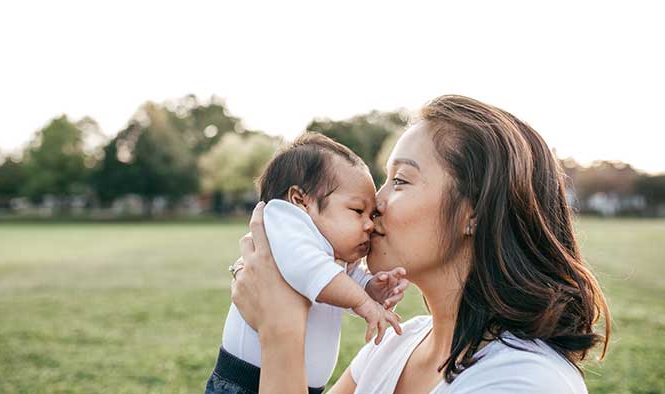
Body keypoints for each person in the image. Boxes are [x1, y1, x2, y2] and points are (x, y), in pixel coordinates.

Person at [230, 95, 611, 393]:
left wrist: (280, 329)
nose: (374, 204)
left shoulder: (523, 381)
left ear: (474, 212)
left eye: (400, 181)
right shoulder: (395, 345)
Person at [206, 133, 410, 394]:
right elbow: (311, 272)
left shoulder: (329, 252)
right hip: (245, 384)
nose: (370, 224)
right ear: (300, 201)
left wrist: (370, 288)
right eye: (358, 211)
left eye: (371, 215)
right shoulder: (286, 224)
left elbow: (338, 282)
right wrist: (363, 302)